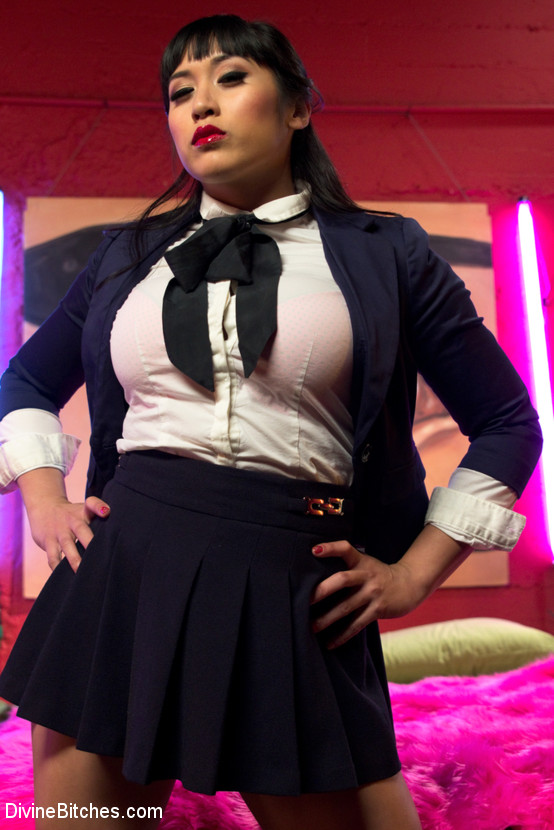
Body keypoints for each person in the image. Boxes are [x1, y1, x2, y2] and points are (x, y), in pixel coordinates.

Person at [0, 14, 542, 830]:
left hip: (293, 586)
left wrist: (413, 574)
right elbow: (25, 380)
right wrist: (46, 503)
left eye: (229, 78)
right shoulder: (126, 255)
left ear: (296, 107)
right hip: (122, 579)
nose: (199, 104)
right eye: (179, 92)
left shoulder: (389, 253)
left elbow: (507, 421)